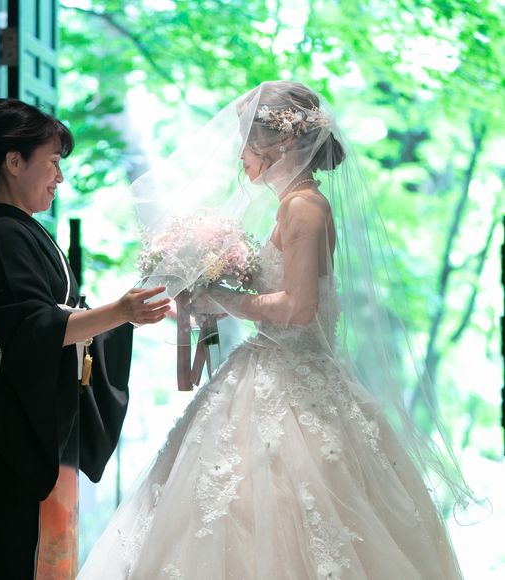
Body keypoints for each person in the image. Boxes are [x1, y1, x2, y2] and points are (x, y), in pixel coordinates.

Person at [78, 81, 472, 579]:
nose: (239, 154)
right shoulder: (296, 202)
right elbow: (280, 291)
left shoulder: (304, 206)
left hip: (291, 377)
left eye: (246, 141)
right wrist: (210, 290)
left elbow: (299, 308)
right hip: (273, 364)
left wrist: (221, 297)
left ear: (279, 143)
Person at [0, 98, 170, 580]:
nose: (60, 177)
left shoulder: (21, 230)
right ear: (14, 162)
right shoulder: (1, 233)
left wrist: (126, 318)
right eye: (52, 163)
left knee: (46, 556)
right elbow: (34, 329)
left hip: (43, 418)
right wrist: (120, 311)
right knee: (21, 555)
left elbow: (57, 322)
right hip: (17, 428)